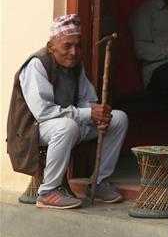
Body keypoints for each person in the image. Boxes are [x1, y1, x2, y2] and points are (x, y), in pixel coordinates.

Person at [6, 14, 129, 209]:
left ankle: (98, 181)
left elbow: (86, 99)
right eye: (67, 46)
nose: (74, 52)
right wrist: (87, 114)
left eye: (78, 46)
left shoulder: (76, 65)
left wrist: (97, 112)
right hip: (32, 131)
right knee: (66, 126)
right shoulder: (37, 65)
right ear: (51, 47)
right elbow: (44, 112)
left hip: (67, 123)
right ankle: (48, 192)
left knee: (118, 119)